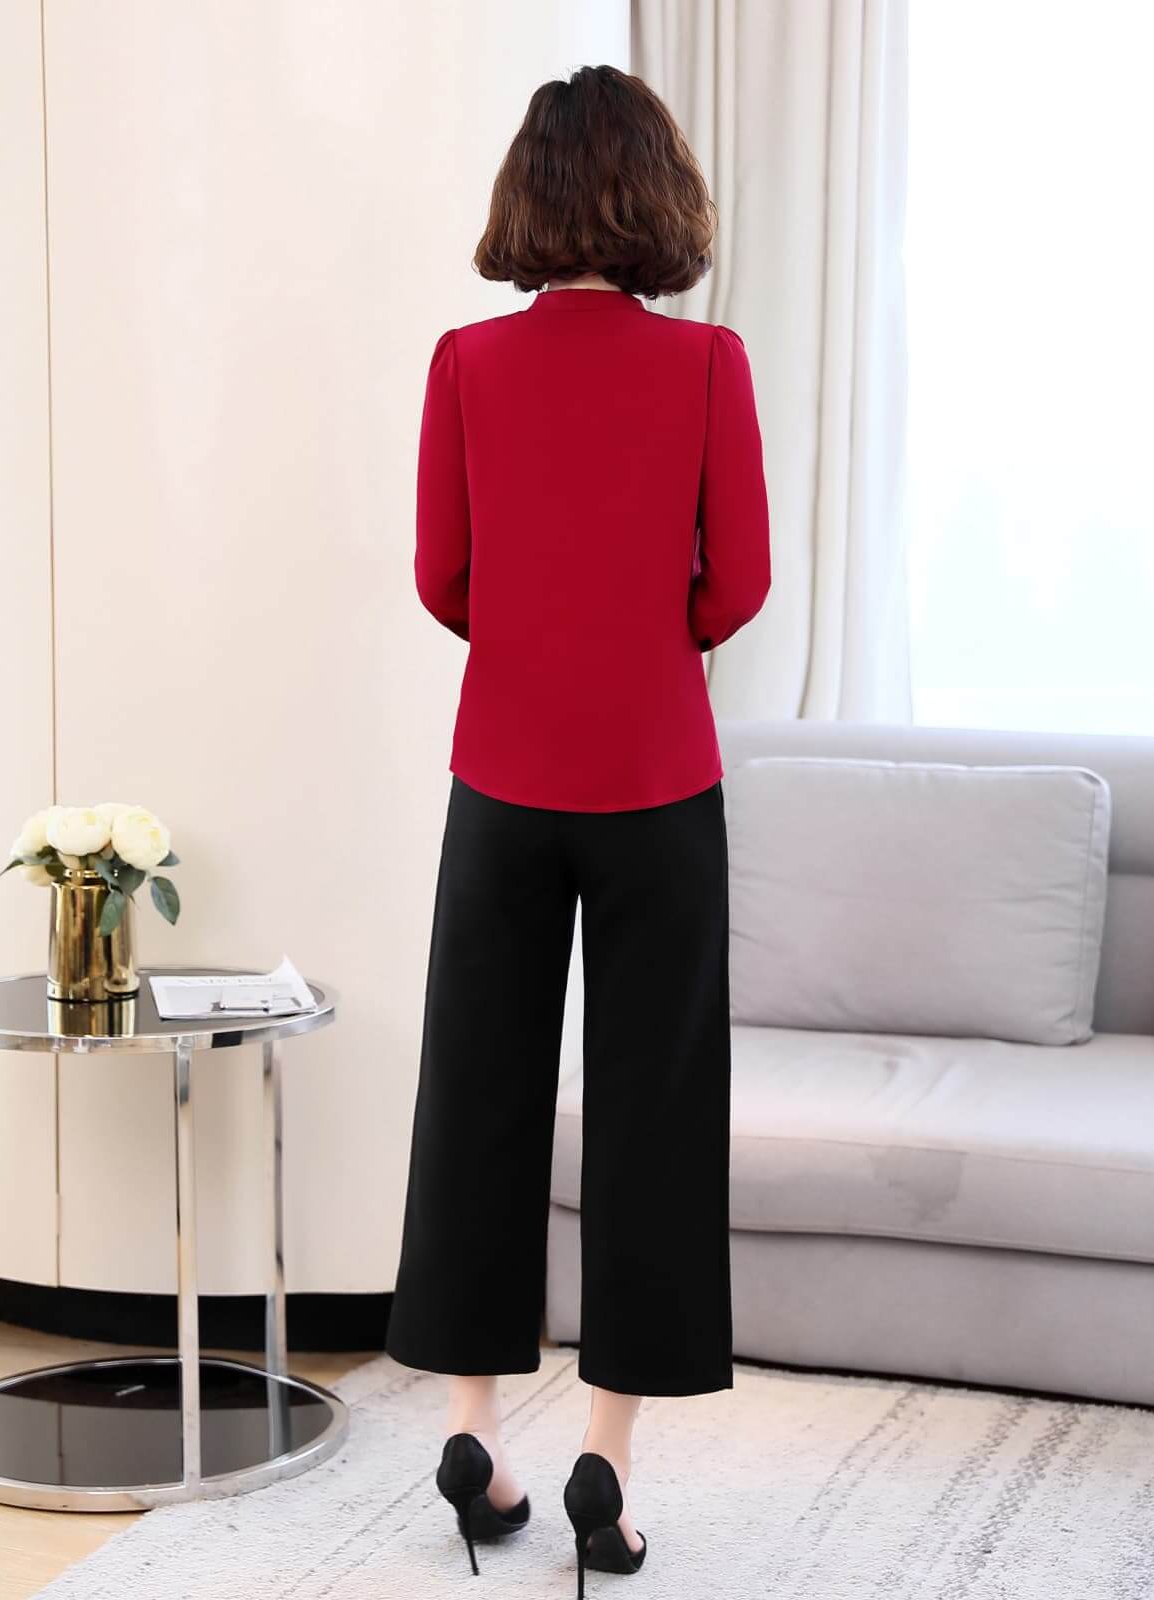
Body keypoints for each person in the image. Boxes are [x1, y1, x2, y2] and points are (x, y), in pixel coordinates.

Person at [384, 62, 771, 1593]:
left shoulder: (466, 363)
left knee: (476, 1095)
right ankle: (609, 1454)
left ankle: (477, 1430)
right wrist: (640, 629)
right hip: (659, 787)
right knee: (651, 1119)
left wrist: (542, 631)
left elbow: (444, 576)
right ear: (659, 199)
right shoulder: (710, 365)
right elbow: (734, 588)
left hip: (504, 779)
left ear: (526, 202)